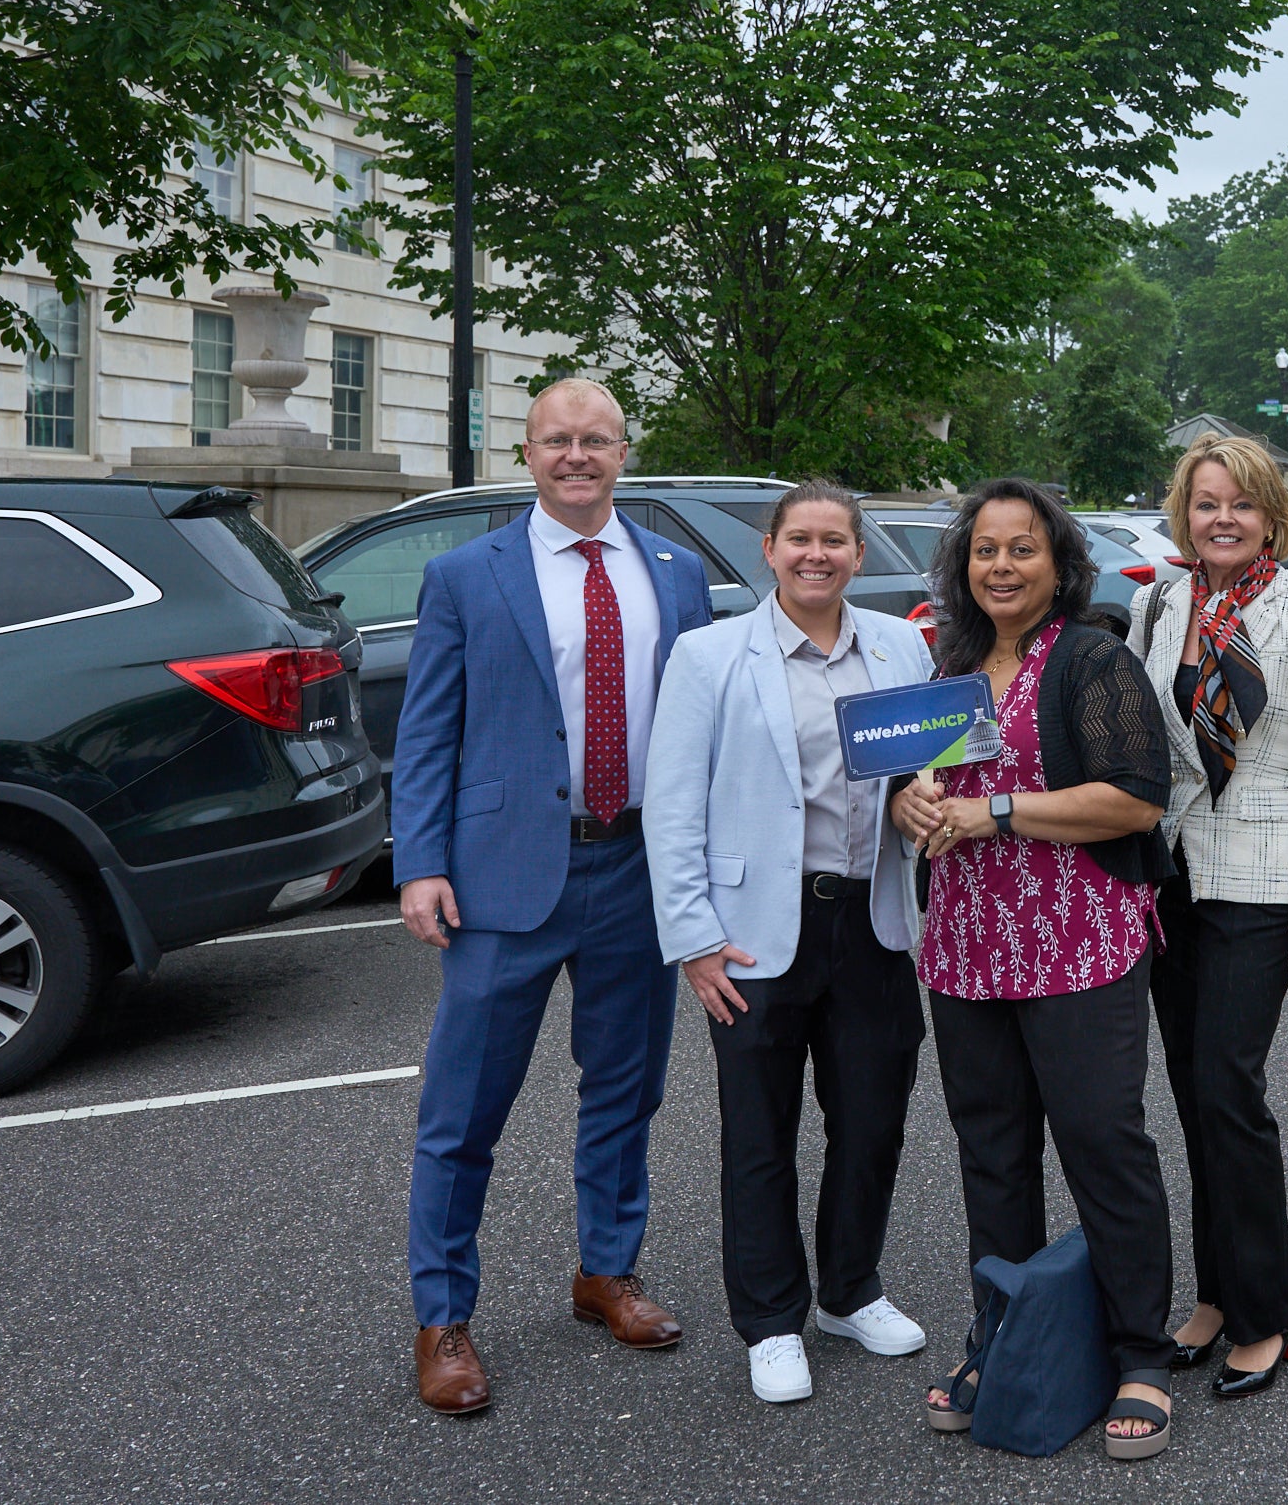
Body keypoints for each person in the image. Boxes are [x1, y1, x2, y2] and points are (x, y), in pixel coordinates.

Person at [393, 379, 714, 1415]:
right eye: (556, 441)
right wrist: (421, 862)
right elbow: (428, 731)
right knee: (463, 1109)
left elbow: (705, 733)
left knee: (626, 1089)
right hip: (501, 877)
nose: (577, 456)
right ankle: (443, 1316)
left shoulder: (675, 572)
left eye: (596, 440)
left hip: (636, 870)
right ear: (526, 452)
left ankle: (605, 1272)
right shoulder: (464, 573)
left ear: (625, 452)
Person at [889, 480, 1180, 1461]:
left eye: (1021, 549)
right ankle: (1000, 1333)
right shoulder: (954, 661)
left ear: (1057, 562)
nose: (1001, 566)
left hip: (1079, 940)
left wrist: (996, 811)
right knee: (993, 1150)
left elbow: (1136, 799)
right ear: (962, 565)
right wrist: (914, 809)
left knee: (1102, 1140)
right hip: (969, 949)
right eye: (984, 550)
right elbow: (921, 785)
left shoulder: (1092, 657)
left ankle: (1139, 1347)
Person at [643, 482, 934, 1406]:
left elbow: (921, 773)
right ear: (768, 551)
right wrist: (693, 939)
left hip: (872, 920)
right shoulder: (709, 654)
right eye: (800, 539)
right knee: (759, 1133)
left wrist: (922, 799)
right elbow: (674, 803)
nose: (818, 554)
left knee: (871, 1121)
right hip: (755, 932)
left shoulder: (900, 644)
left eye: (836, 541)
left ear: (857, 553)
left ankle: (850, 1291)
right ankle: (772, 1319)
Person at [1128, 433, 1288, 1400]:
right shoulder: (1161, 601)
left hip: (1259, 889)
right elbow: (1141, 740)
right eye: (1206, 502)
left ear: (1271, 516)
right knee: (1190, 1095)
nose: (1222, 519)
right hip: (1170, 880)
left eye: (1242, 504)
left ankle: (1267, 1315)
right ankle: (1213, 1295)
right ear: (1185, 511)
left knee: (1229, 1090)